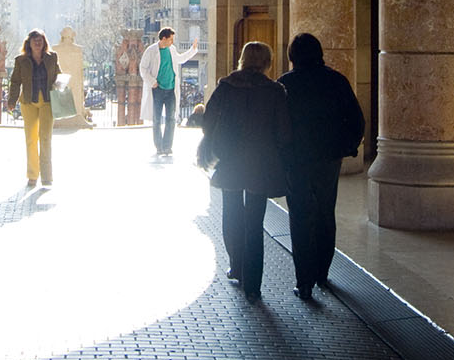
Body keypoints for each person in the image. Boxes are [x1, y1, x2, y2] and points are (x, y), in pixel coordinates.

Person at [200, 40, 289, 303]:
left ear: (242, 59)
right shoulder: (275, 91)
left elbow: (208, 121)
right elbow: (284, 132)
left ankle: (236, 266)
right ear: (267, 62)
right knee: (254, 222)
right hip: (261, 164)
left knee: (231, 213)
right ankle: (253, 283)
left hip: (230, 161)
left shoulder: (226, 86)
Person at [278, 31, 366, 301]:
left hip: (296, 161)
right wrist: (347, 147)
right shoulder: (336, 81)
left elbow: (277, 126)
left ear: (292, 56)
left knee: (300, 217)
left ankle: (304, 281)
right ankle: (322, 273)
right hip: (328, 158)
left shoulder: (285, 84)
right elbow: (356, 120)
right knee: (326, 213)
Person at [6, 29, 60, 188]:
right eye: (35, 41)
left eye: (40, 41)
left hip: (47, 102)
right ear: (29, 43)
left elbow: (58, 75)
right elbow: (15, 81)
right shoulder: (21, 60)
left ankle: (47, 176)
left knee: (45, 138)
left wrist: (63, 86)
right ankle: (32, 175)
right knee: (31, 139)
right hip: (28, 102)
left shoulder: (52, 58)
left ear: (44, 43)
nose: (37, 43)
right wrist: (12, 100)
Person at [139, 26, 198, 157]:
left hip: (171, 89)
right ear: (163, 38)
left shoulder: (172, 50)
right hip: (157, 90)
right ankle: (159, 146)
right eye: (171, 39)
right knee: (157, 119)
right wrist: (152, 81)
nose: (172, 42)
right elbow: (143, 68)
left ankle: (167, 146)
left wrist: (193, 50)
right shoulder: (151, 51)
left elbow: (180, 59)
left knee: (171, 119)